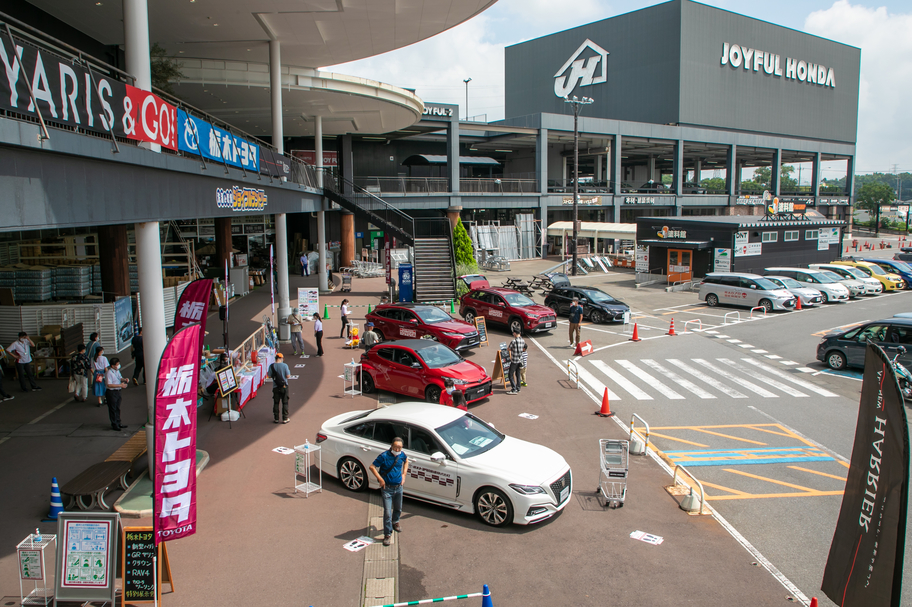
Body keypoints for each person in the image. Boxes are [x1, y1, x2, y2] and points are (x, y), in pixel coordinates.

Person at [370, 437, 409, 547]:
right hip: (387, 488)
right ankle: (387, 534)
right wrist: (381, 479)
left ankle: (395, 522)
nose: (397, 450)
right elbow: (372, 467)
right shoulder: (384, 456)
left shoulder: (402, 455)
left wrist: (404, 475)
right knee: (387, 512)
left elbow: (406, 461)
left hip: (398, 487)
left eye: (400, 447)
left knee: (398, 508)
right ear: (391, 446)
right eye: (396, 447)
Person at [104, 357, 129, 431]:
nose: (118, 365)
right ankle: (114, 424)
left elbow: (119, 378)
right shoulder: (109, 373)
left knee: (117, 408)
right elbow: (109, 385)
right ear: (112, 366)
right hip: (111, 392)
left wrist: (124, 379)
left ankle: (118, 422)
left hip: (118, 391)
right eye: (117, 364)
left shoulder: (117, 371)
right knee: (113, 408)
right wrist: (120, 385)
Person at [268, 352, 291, 424]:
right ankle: (285, 418)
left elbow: (269, 375)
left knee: (276, 402)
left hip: (275, 386)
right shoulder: (285, 366)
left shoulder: (271, 366)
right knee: (285, 402)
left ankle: (276, 418)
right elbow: (287, 376)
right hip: (284, 386)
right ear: (280, 358)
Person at [505, 329, 525, 395]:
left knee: (510, 374)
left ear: (515, 333)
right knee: (518, 374)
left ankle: (514, 389)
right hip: (520, 360)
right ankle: (518, 388)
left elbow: (508, 349)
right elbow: (523, 349)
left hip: (514, 360)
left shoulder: (513, 341)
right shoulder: (523, 340)